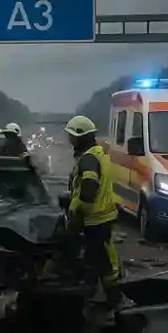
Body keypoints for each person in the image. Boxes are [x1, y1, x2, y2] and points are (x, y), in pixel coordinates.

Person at [63, 115, 122, 314]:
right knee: (99, 261)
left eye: (71, 136)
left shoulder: (88, 159)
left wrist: (77, 211)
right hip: (100, 218)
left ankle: (111, 303)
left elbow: (89, 188)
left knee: (97, 263)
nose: (69, 139)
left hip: (95, 219)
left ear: (80, 137)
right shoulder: (97, 154)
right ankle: (108, 301)